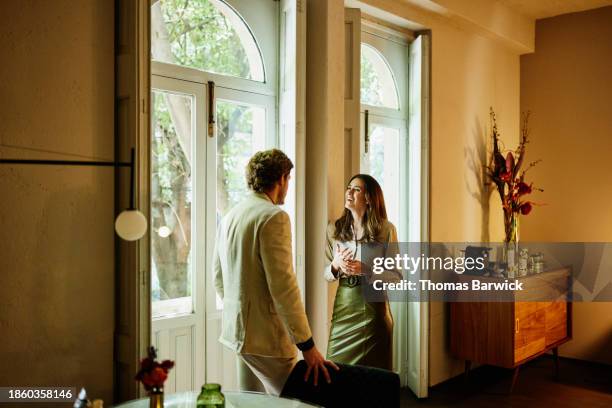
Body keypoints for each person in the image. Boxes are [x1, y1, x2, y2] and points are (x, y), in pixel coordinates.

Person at [213, 149, 338, 396]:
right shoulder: (274, 217)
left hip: (237, 335)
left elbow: (218, 277)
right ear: (281, 178)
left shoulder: (231, 216)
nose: (288, 186)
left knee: (251, 402)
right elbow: (284, 288)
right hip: (267, 340)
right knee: (298, 401)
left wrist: (240, 313)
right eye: (289, 180)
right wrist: (308, 345)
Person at [324, 174, 400, 370]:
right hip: (343, 308)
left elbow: (396, 276)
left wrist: (367, 270)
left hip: (373, 311)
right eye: (348, 187)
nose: (349, 192)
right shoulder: (334, 228)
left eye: (356, 189)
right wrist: (336, 264)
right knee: (334, 368)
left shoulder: (386, 229)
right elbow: (326, 274)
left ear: (368, 198)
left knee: (372, 376)